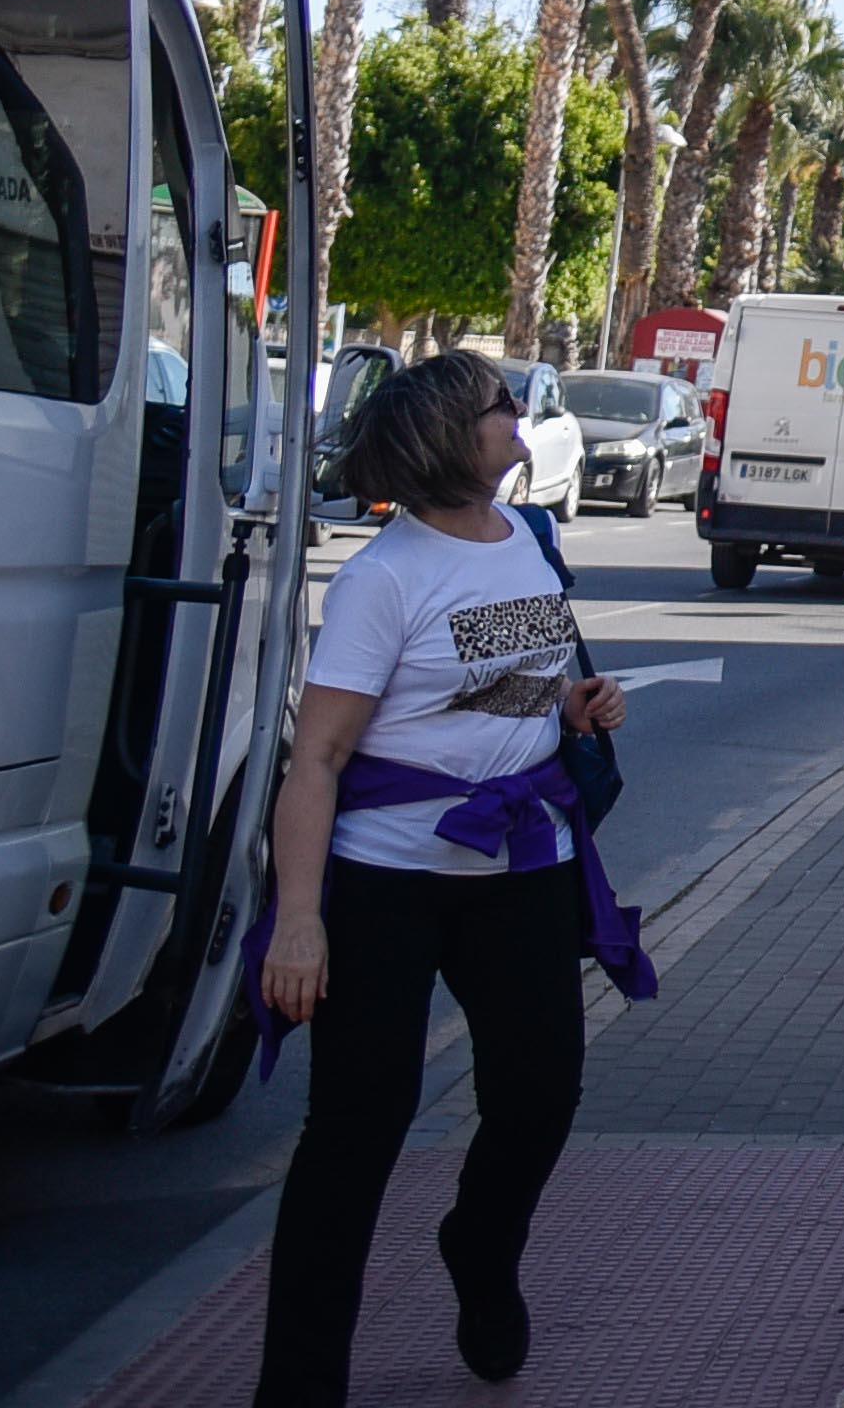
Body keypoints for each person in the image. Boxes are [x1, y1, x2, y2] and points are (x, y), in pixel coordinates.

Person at [252, 349, 648, 1405]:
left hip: (522, 863)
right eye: (497, 404)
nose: (517, 413)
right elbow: (318, 759)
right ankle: (296, 1387)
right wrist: (300, 921)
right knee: (353, 1130)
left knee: (541, 1094)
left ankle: (479, 1246)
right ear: (447, 438)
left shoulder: (531, 535)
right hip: (387, 881)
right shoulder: (387, 576)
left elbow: (518, 679)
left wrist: (572, 705)